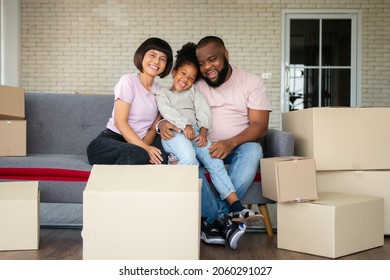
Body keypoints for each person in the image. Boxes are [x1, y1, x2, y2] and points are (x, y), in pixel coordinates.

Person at [158, 36, 271, 250]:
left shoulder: (251, 81)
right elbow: (168, 104)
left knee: (254, 150)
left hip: (237, 146)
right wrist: (162, 123)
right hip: (201, 145)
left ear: (225, 55)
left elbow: (260, 126)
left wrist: (230, 143)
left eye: (212, 60)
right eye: (202, 63)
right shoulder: (194, 83)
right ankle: (225, 218)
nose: (207, 67)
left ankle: (212, 219)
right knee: (188, 164)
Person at [87, 37, 173, 165]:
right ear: (142, 56)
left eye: (162, 59)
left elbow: (152, 130)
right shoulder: (128, 81)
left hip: (137, 146)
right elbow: (120, 122)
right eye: (152, 55)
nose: (156, 61)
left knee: (161, 158)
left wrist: (147, 150)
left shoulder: (161, 92)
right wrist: (144, 149)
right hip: (109, 142)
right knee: (137, 153)